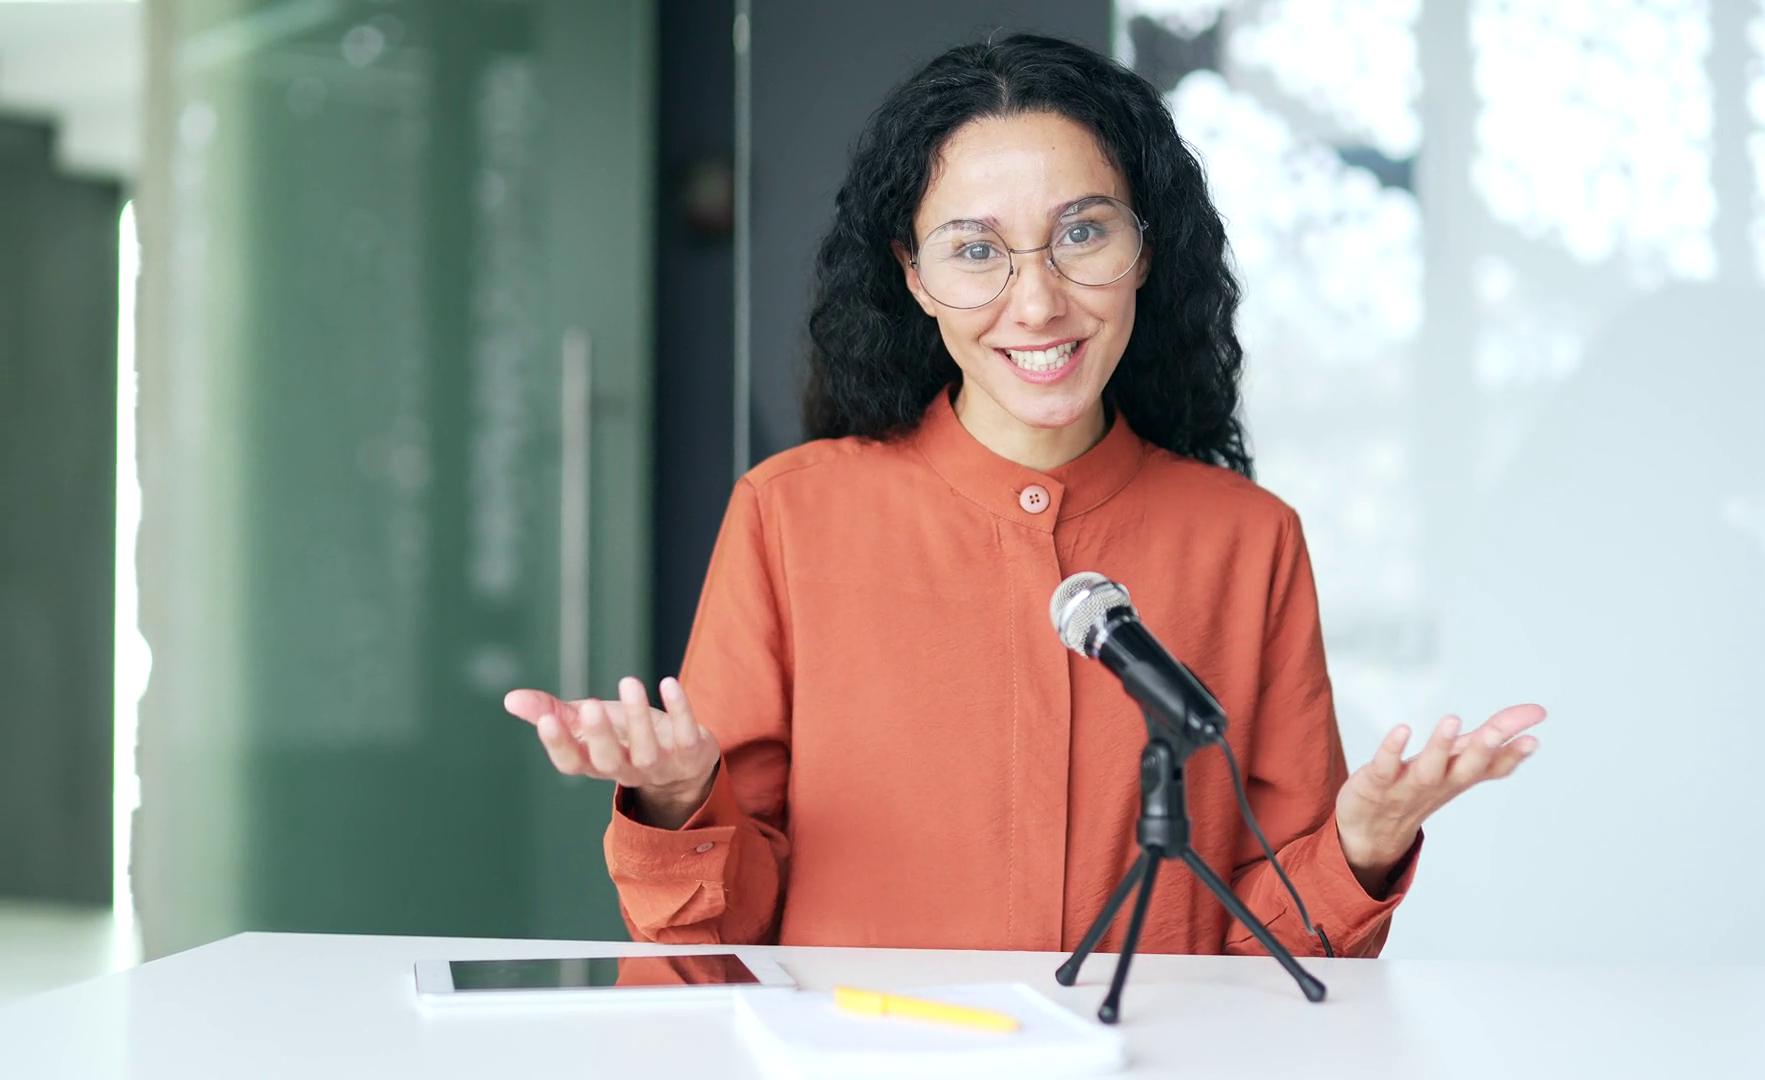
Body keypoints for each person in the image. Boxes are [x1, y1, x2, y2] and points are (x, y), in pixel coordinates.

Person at [504, 33, 1543, 958]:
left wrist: (1362, 846)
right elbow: (720, 945)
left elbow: (1269, 952)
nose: (1038, 301)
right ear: (913, 275)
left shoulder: (1248, 540)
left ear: (1146, 248)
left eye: (1083, 233)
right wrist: (681, 802)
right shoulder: (790, 516)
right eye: (975, 251)